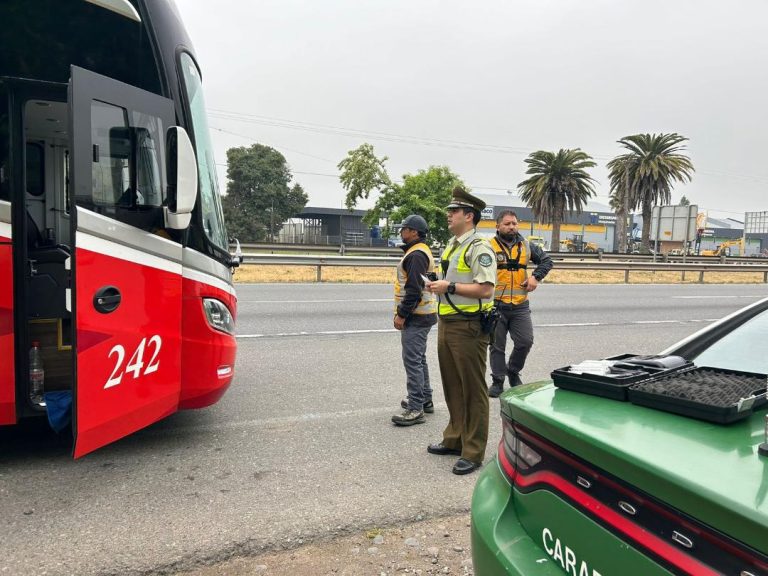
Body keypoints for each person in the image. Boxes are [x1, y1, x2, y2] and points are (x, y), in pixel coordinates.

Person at [424, 187, 496, 475]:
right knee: (453, 386)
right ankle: (454, 438)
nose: (448, 215)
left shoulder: (479, 246)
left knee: (473, 390)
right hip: (448, 323)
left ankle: (474, 450)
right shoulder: (454, 245)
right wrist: (437, 284)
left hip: (468, 327)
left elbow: (486, 290)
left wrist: (449, 287)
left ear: (469, 216)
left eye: (453, 211)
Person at [487, 210, 553, 398]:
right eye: (507, 224)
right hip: (495, 305)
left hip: (520, 305)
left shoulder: (526, 245)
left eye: (514, 223)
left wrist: (535, 277)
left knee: (525, 341)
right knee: (497, 346)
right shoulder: (488, 246)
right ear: (497, 226)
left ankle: (513, 371)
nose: (512, 227)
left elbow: (547, 261)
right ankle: (498, 380)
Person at [391, 214, 438, 426]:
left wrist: (402, 314)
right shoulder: (418, 251)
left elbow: (413, 290)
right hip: (423, 314)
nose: (402, 231)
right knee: (419, 358)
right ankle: (425, 398)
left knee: (412, 361)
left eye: (405, 228)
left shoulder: (417, 255)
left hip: (416, 315)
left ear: (414, 232)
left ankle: (415, 408)